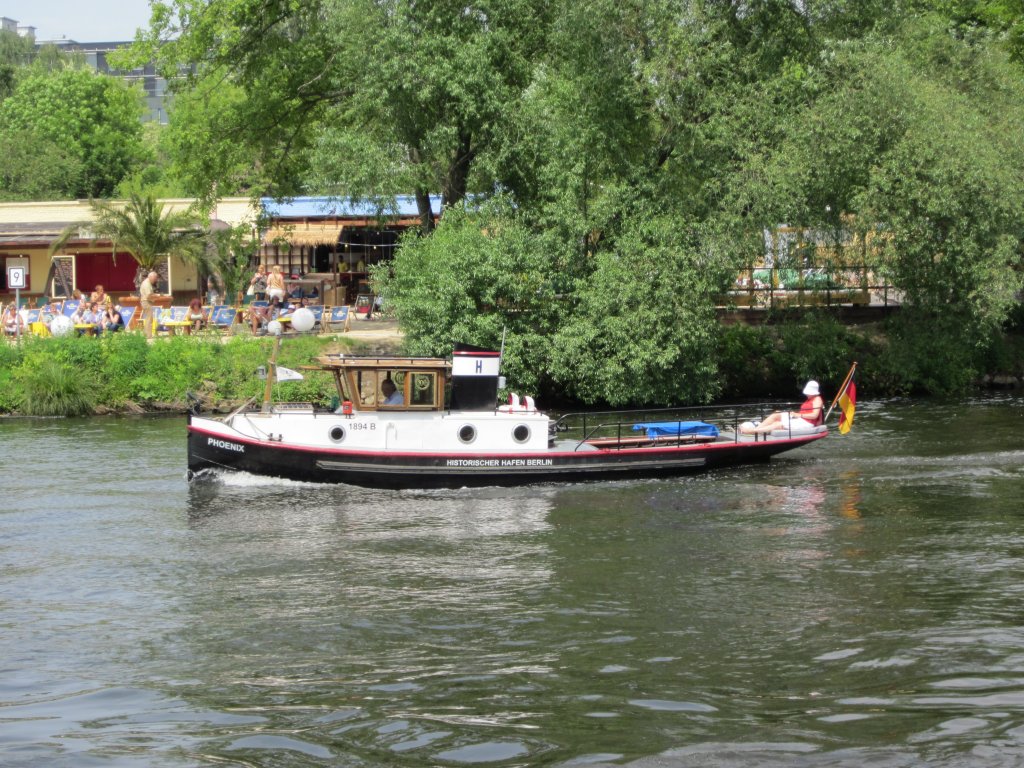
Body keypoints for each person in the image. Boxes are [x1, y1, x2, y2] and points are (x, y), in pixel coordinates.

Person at [748, 380, 824, 434]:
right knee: (776, 415)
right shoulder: (809, 399)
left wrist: (799, 415)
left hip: (807, 423)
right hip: (800, 419)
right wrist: (795, 415)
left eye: (809, 392)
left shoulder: (817, 399)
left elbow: (815, 415)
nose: (807, 394)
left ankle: (752, 431)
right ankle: (756, 429)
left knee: (778, 424)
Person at [140, 270, 159, 339]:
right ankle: (148, 336)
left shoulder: (147, 283)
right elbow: (148, 295)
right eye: (155, 278)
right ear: (151, 277)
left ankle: (146, 334)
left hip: (146, 302)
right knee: (149, 319)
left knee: (148, 319)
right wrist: (156, 296)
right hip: (147, 302)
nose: (155, 280)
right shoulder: (147, 284)